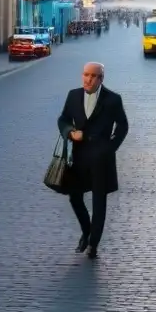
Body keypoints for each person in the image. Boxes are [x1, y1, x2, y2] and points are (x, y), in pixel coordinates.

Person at [57, 61, 129, 260]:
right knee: (74, 197)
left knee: (99, 203)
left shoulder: (113, 100)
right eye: (85, 75)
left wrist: (110, 148)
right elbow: (62, 119)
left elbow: (123, 126)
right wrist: (70, 132)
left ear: (101, 79)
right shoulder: (73, 95)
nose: (88, 79)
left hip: (101, 160)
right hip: (79, 157)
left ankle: (93, 245)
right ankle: (87, 231)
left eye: (93, 76)